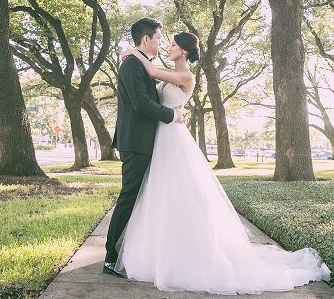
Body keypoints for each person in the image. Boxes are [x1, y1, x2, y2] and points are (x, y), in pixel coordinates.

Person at [112, 31, 330, 292]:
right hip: (162, 137)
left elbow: (153, 71)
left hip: (173, 138)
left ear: (183, 51)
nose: (167, 47)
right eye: (166, 42)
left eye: (172, 44)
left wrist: (134, 52)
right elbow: (153, 76)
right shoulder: (171, 70)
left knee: (180, 192)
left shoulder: (186, 76)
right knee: (161, 194)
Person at [103, 18, 181, 278]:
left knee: (140, 197)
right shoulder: (131, 65)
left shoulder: (139, 63)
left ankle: (131, 252)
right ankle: (110, 257)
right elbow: (141, 104)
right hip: (135, 142)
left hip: (145, 141)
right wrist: (172, 116)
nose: (161, 42)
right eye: (158, 38)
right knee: (129, 197)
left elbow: (155, 78)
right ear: (146, 39)